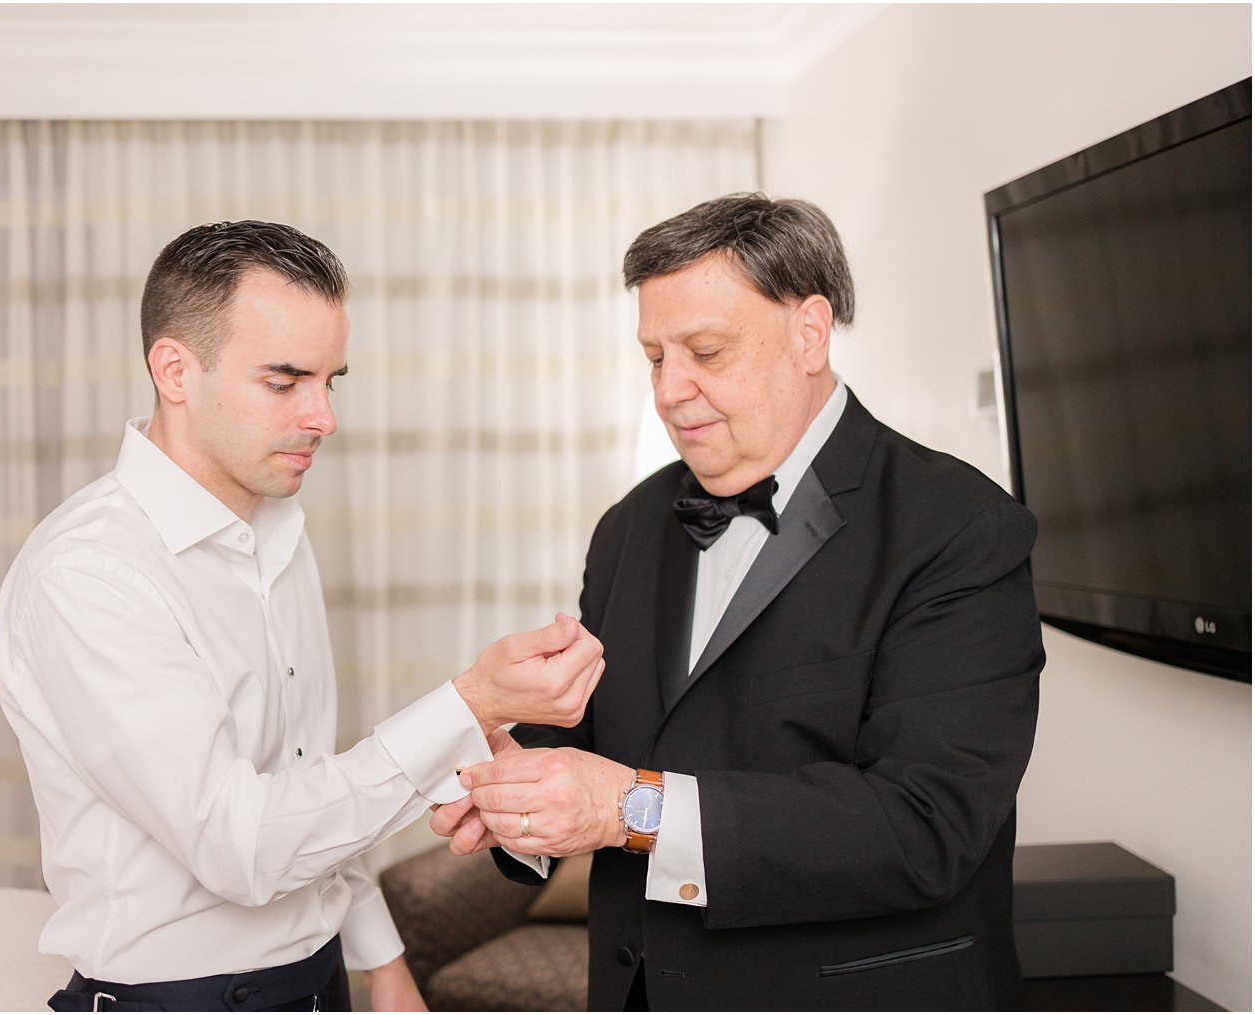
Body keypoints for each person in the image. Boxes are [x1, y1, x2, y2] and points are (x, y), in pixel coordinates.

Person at [434, 194, 1045, 1010]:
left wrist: (627, 808)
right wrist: (513, 788)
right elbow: (590, 735)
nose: (669, 391)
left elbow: (925, 823)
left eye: (706, 351)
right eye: (654, 356)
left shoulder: (961, 527)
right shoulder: (631, 524)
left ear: (810, 332)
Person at [0, 220, 605, 1013]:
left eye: (330, 380)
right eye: (285, 382)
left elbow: (304, 778)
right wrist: (472, 702)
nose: (324, 417)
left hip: (320, 979)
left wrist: (381, 961)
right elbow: (242, 846)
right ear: (174, 370)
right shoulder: (89, 574)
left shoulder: (278, 531)